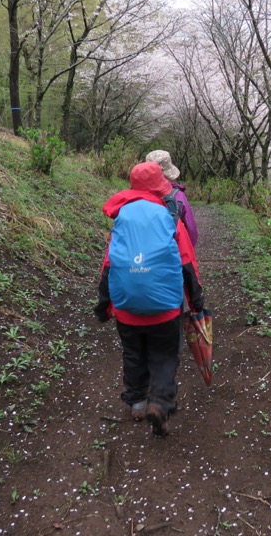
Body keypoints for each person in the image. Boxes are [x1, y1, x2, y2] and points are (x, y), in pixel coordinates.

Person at [94, 161, 205, 437]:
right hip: (165, 309)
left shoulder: (122, 217)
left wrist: (104, 304)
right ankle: (160, 402)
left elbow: (110, 264)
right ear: (160, 185)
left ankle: (137, 402)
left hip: (126, 307)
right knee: (165, 355)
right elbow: (187, 264)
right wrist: (196, 304)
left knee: (133, 353)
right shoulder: (168, 217)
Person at [145, 150, 198, 247]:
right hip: (171, 252)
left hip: (141, 253)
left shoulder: (136, 194)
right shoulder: (178, 195)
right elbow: (191, 228)